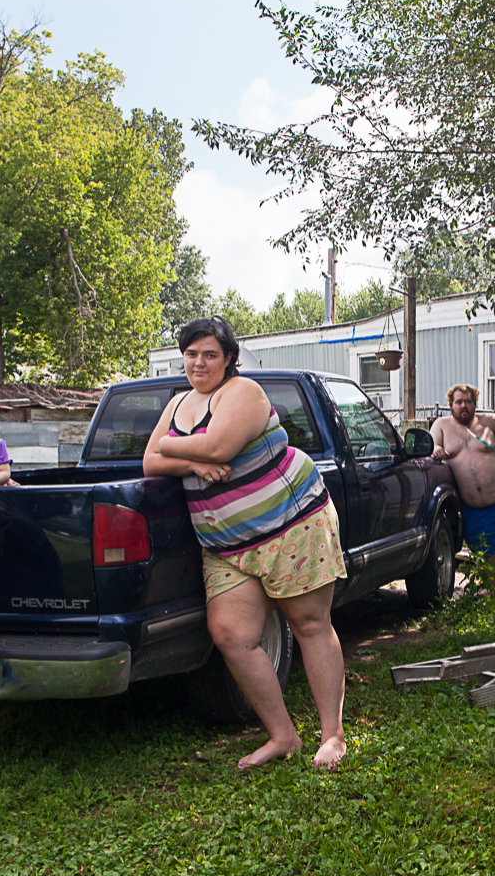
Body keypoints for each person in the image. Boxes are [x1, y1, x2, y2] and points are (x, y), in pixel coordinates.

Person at [143, 317, 349, 772]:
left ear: (229, 359)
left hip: (290, 524)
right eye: (192, 353)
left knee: (309, 623)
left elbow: (215, 448)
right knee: (232, 635)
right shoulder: (178, 402)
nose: (199, 362)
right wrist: (193, 463)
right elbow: (149, 461)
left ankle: (331, 735)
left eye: (210, 354)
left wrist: (180, 452)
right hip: (225, 544)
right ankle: (283, 736)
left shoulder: (244, 393)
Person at [431, 383, 495, 594]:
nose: (464, 406)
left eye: (468, 402)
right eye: (459, 402)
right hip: (472, 503)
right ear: (450, 405)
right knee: (485, 545)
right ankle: (490, 591)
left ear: (475, 403)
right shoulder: (442, 425)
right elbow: (434, 444)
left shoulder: (489, 421)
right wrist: (437, 451)